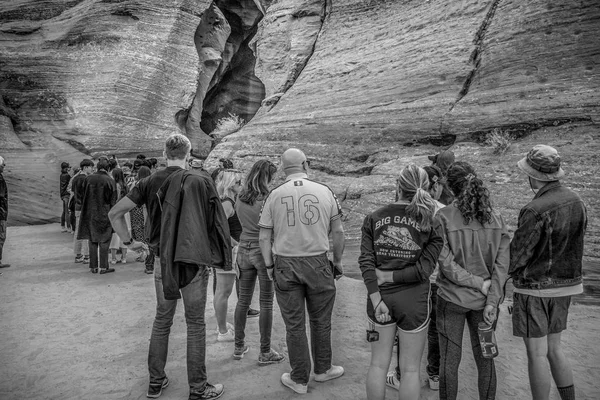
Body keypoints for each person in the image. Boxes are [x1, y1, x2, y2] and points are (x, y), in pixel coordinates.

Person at [109, 133, 228, 400]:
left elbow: (115, 213)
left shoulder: (149, 181)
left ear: (165, 153)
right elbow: (216, 223)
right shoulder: (202, 180)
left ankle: (155, 382)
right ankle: (198, 388)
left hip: (163, 260)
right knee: (195, 323)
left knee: (162, 320)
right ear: (189, 153)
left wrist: (130, 242)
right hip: (194, 260)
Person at [259, 148, 345, 395]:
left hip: (285, 263)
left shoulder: (274, 195)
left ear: (283, 167)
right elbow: (338, 232)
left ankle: (299, 378)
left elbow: (264, 236)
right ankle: (323, 368)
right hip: (317, 262)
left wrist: (269, 266)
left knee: (294, 325)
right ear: (305, 164)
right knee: (321, 320)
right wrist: (337, 261)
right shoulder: (324, 191)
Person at [509, 145, 587, 400]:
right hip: (567, 286)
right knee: (555, 350)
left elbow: (518, 255)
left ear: (535, 176)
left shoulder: (534, 209)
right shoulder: (577, 201)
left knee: (537, 354)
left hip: (534, 289)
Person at [359, 164, 443, 400]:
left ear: (397, 185)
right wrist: (394, 276)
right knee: (410, 370)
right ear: (427, 189)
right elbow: (425, 270)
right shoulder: (432, 222)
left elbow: (366, 262)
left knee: (377, 365)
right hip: (414, 300)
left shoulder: (374, 218)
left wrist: (377, 298)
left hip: (380, 298)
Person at [436, 161, 510, 400]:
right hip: (486, 304)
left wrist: (477, 283)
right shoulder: (496, 219)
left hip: (451, 299)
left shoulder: (443, 217)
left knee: (449, 360)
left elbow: (446, 265)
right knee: (486, 358)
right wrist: (491, 299)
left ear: (450, 188)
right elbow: (502, 266)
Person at [385, 164, 446, 392]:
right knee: (434, 331)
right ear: (433, 186)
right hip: (438, 280)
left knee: (406, 330)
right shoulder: (442, 211)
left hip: (409, 281)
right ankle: (435, 375)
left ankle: (401, 375)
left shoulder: (400, 211)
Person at [233, 160, 284, 364]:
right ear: (267, 177)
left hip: (243, 249)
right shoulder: (268, 199)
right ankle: (265, 351)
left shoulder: (240, 197)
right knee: (266, 302)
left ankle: (238, 346)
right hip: (263, 251)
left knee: (243, 301)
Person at [213, 168, 244, 342]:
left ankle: (222, 324)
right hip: (228, 252)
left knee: (223, 291)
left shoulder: (229, 201)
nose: (241, 185)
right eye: (239, 182)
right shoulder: (227, 203)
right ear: (231, 185)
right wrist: (236, 244)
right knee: (223, 292)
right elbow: (220, 229)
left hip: (227, 250)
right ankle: (223, 331)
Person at [77, 157, 117, 274]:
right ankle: (104, 267)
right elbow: (113, 200)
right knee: (104, 240)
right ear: (108, 168)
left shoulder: (88, 179)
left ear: (97, 167)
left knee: (92, 240)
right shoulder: (110, 181)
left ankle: (93, 266)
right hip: (105, 213)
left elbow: (81, 194)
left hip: (89, 213)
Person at [71, 159, 94, 264]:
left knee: (77, 232)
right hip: (85, 208)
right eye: (91, 167)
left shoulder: (75, 178)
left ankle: (78, 254)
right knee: (86, 232)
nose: (92, 169)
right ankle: (87, 256)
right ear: (85, 167)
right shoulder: (86, 179)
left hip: (77, 207)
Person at [109, 168, 130, 264]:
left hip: (116, 211)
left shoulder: (113, 185)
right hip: (125, 211)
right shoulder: (126, 186)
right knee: (125, 233)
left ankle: (113, 258)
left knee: (115, 234)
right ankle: (124, 257)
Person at [0, 155, 9, 269]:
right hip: (1, 213)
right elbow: (1, 196)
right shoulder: (0, 179)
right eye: (3, 165)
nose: (4, 166)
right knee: (1, 236)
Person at [60, 161, 72, 233]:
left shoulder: (61, 175)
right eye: (68, 167)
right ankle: (68, 227)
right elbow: (72, 180)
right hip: (67, 194)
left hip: (62, 194)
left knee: (64, 211)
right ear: (66, 168)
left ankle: (62, 226)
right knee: (67, 211)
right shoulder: (67, 175)